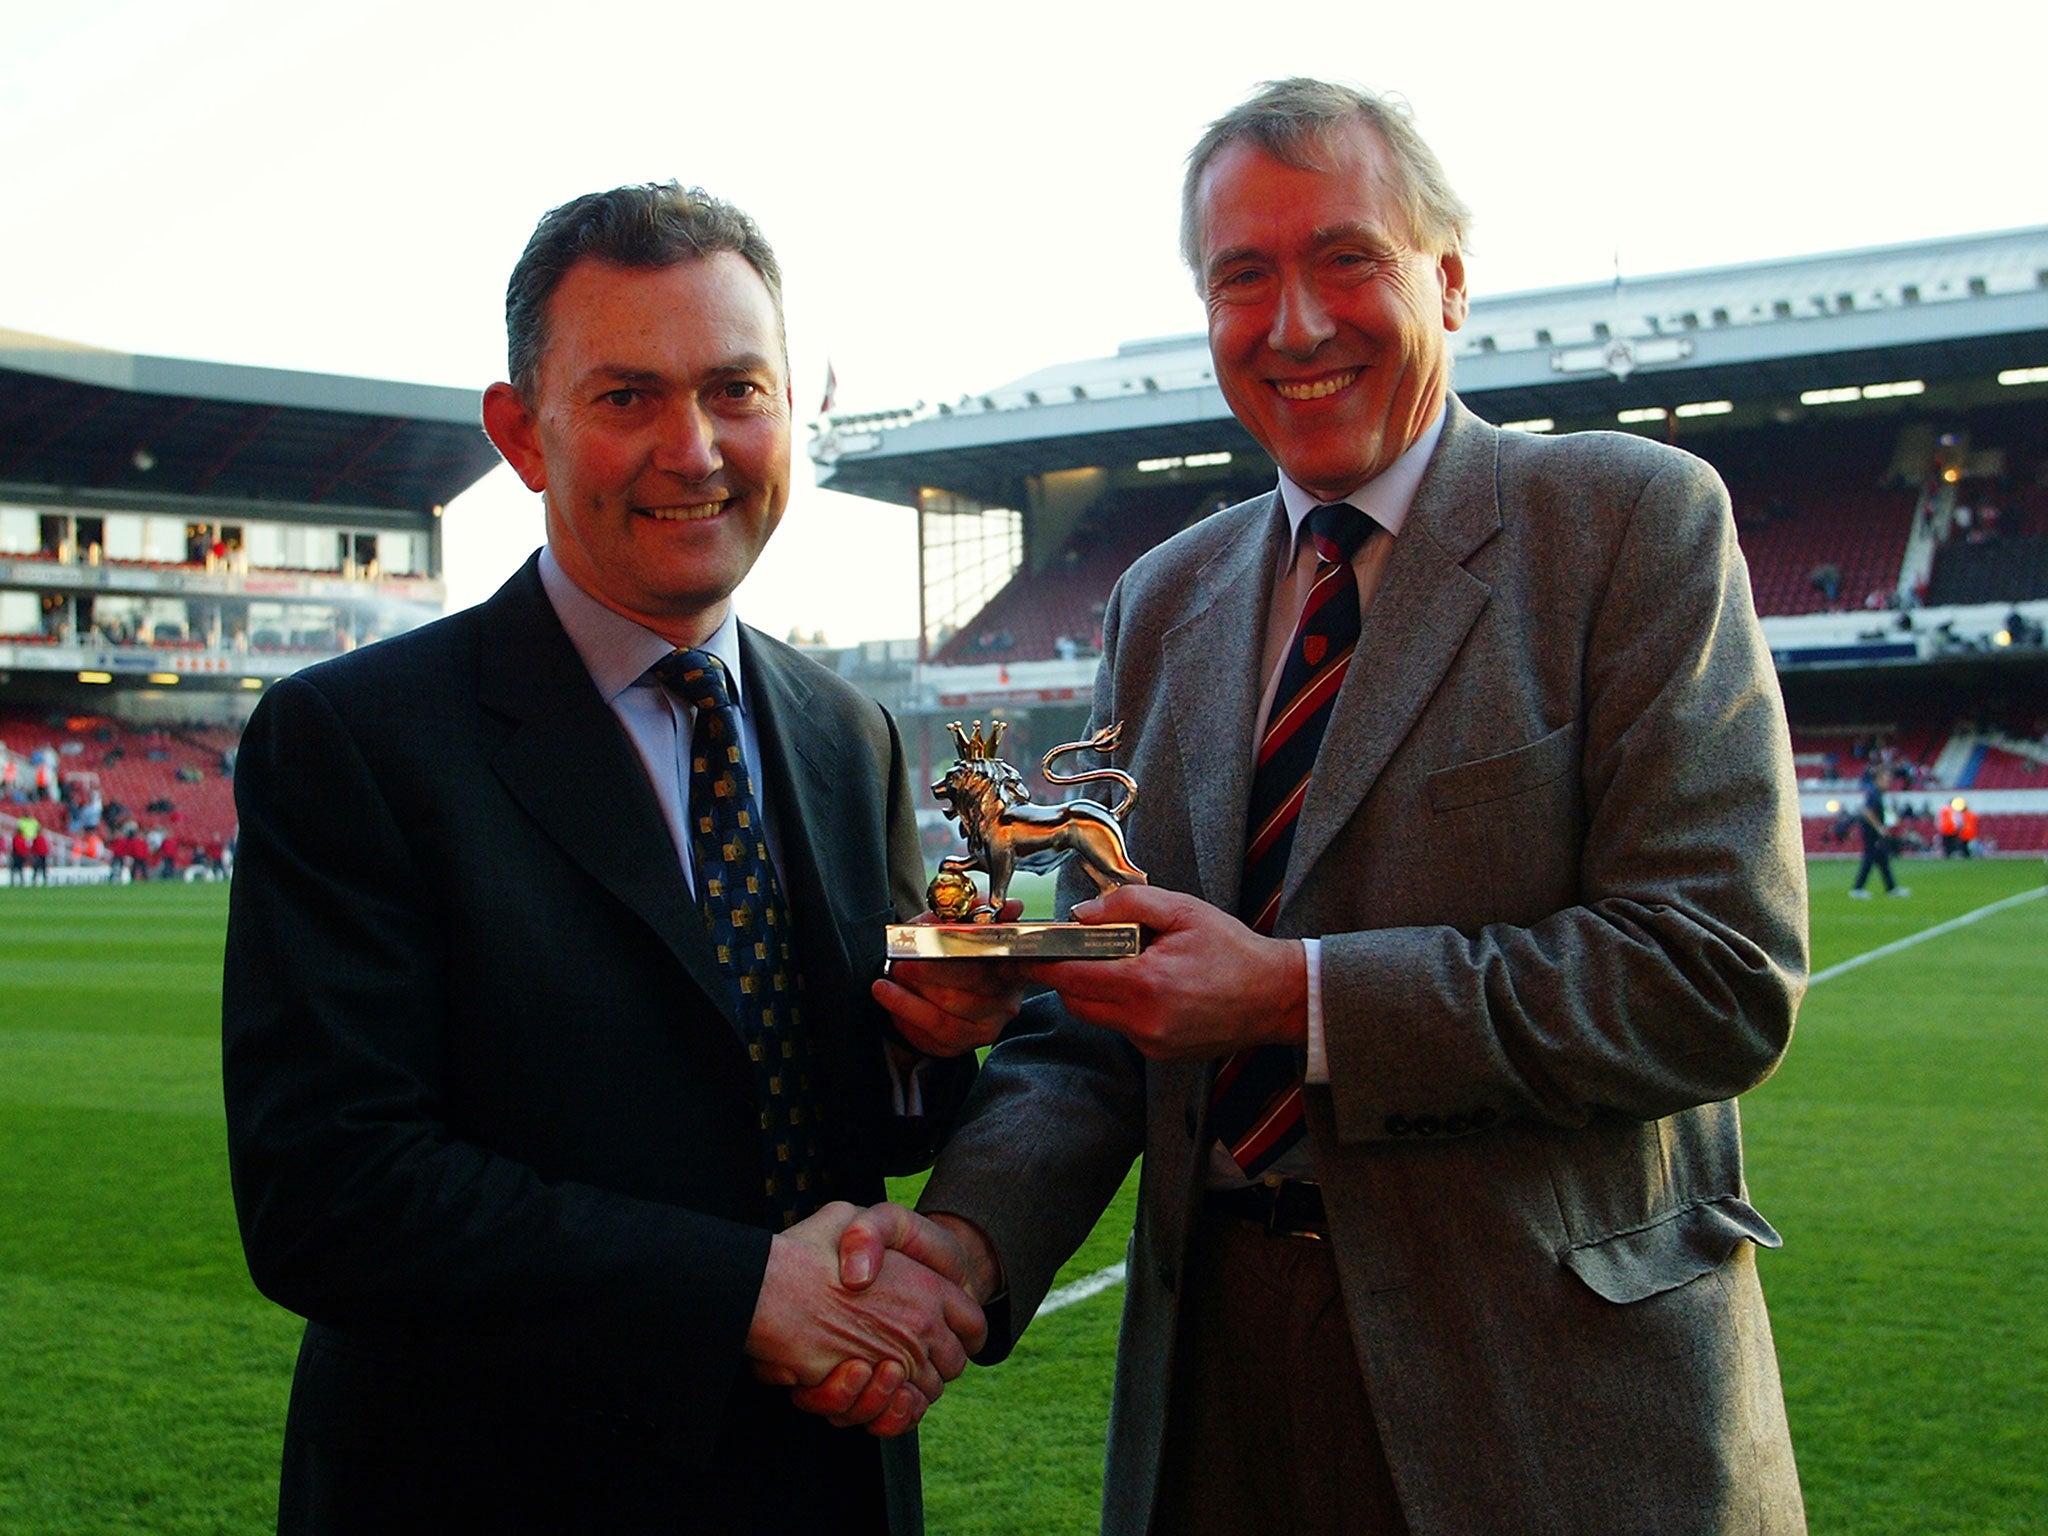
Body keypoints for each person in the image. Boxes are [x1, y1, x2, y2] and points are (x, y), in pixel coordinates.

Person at [848, 78, 1811, 1534]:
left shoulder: (1629, 522)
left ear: (1450, 280)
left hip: (1545, 1403)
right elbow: (1100, 1013)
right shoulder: (1163, 599)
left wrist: (1293, 1002)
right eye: (1245, 277)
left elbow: (1714, 978)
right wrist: (963, 1248)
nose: (1295, 324)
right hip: (1220, 1397)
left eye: (1347, 259)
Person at [222, 182, 987, 1536]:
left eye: (736, 390)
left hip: (821, 1486)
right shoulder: (354, 739)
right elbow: (328, 1196)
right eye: (628, 396)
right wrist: (742, 1292)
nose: (694, 449)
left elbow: (851, 1125)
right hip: (494, 1492)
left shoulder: (843, 733)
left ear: (794, 406)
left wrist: (933, 1043)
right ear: (522, 434)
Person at [1850, 768, 1910, 897]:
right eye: (1885, 779)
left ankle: (1891, 888)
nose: (1888, 782)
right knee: (1870, 858)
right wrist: (1879, 827)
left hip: (1875, 831)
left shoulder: (1880, 794)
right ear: (1878, 780)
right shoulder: (1874, 793)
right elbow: (1867, 811)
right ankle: (1857, 888)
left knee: (1882, 859)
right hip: (1871, 831)